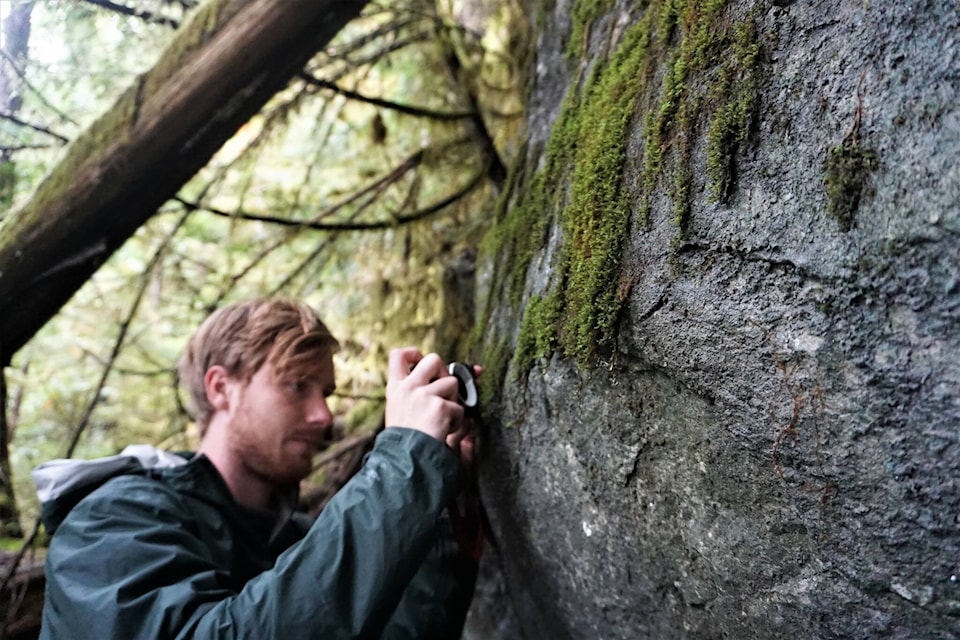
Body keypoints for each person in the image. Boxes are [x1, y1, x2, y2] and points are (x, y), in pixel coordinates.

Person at [32, 298, 483, 639]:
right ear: (221, 388)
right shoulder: (109, 520)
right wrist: (404, 463)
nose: (323, 415)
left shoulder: (296, 540)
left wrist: (439, 510)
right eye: (296, 385)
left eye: (325, 392)